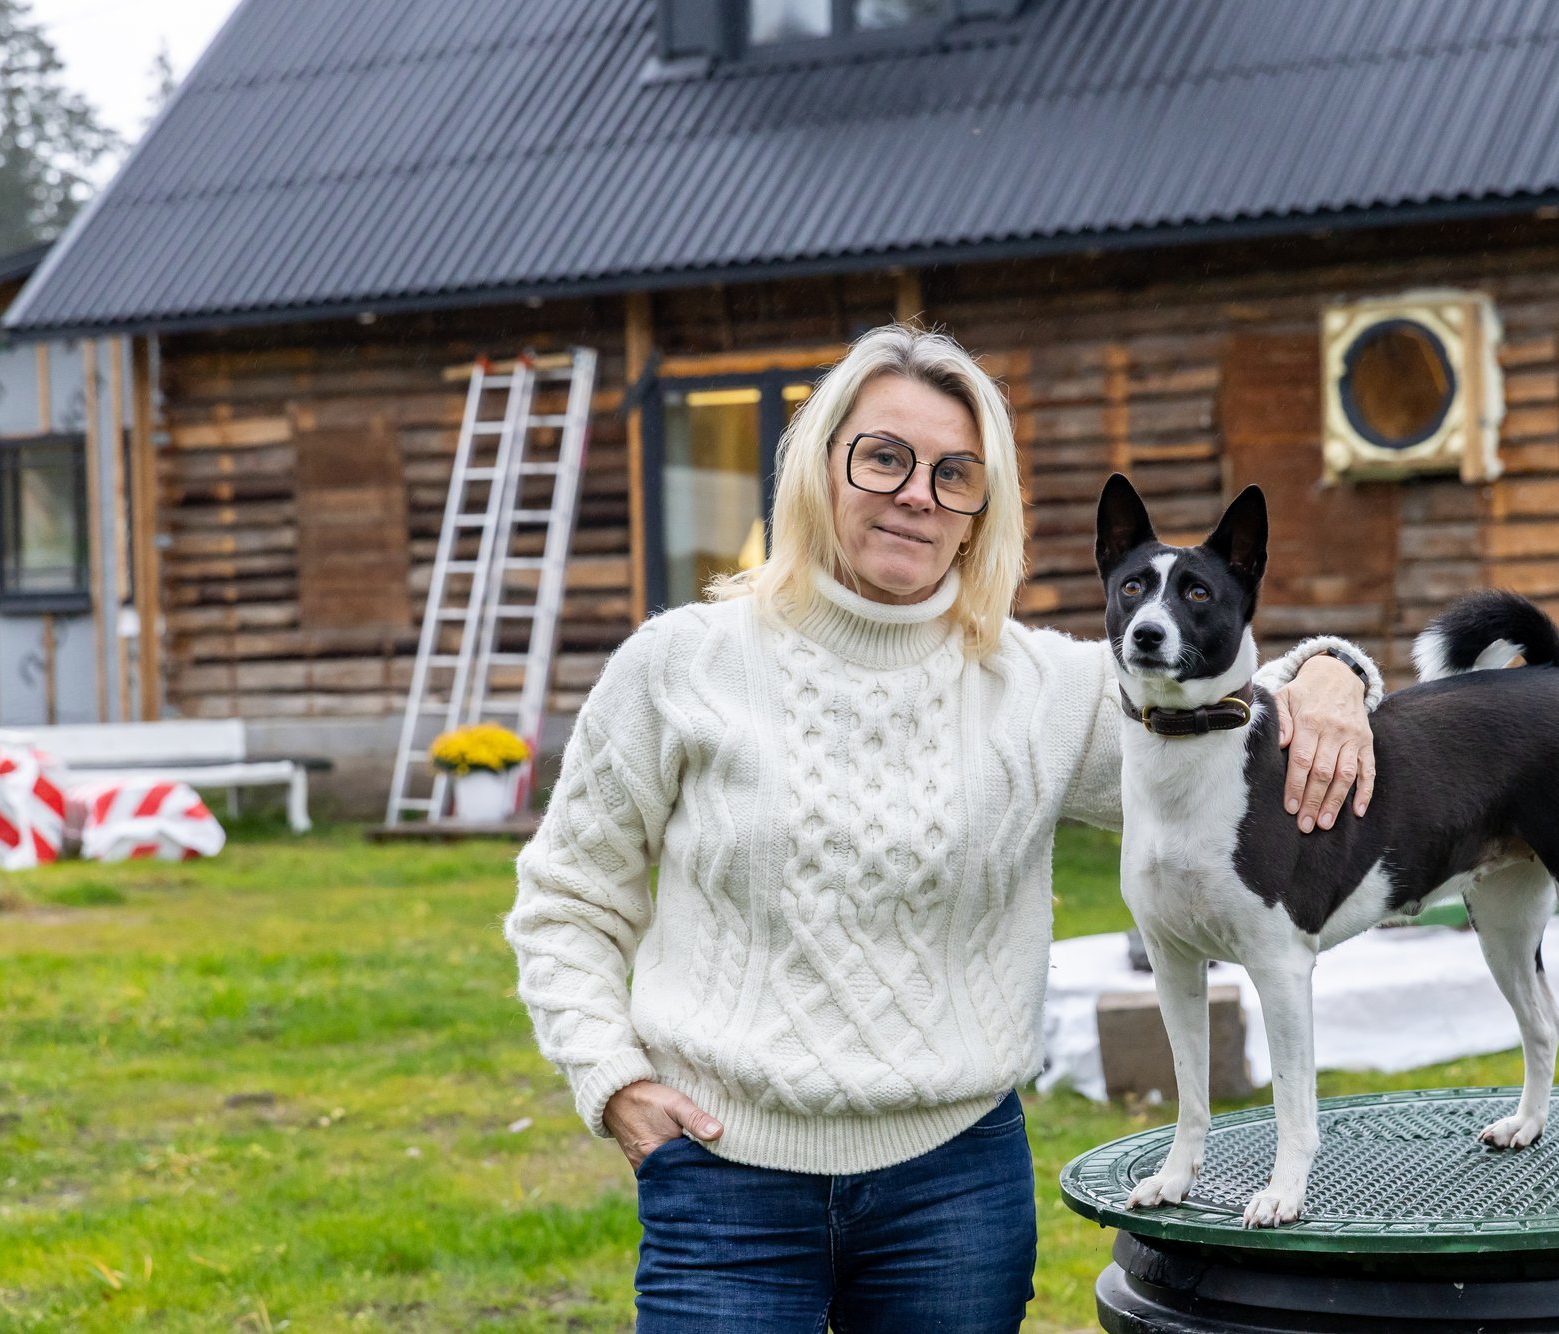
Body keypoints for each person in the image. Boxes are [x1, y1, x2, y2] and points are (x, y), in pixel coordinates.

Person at [504, 324, 1382, 1333]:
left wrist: (1329, 669)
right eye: (883, 456)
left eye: (954, 473)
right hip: (724, 1182)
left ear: (979, 512)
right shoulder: (678, 665)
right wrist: (611, 1080)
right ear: (818, 468)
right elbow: (569, 897)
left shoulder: (1046, 688)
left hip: (953, 1193)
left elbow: (1228, 709)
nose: (916, 492)